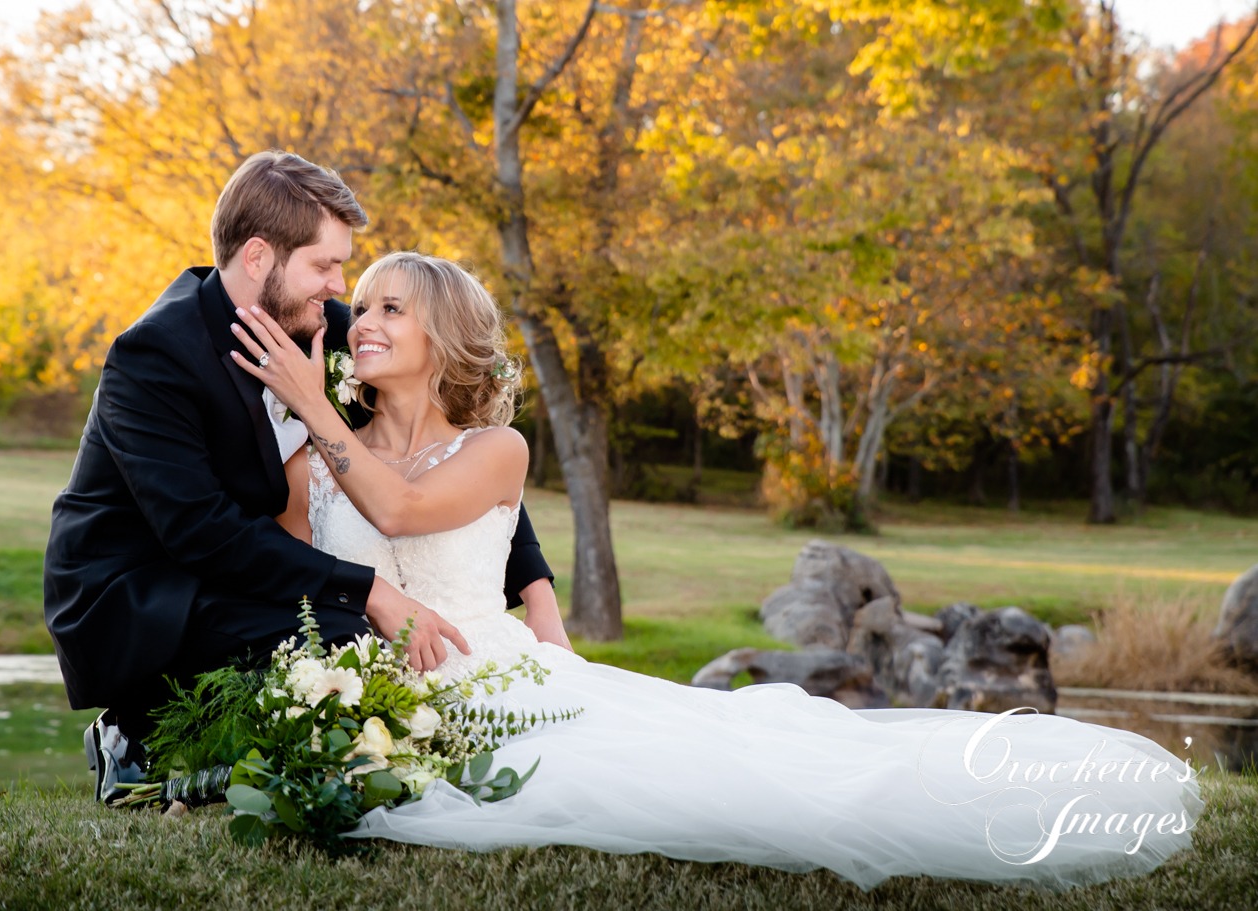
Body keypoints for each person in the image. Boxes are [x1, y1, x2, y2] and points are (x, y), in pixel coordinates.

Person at [234, 250, 1204, 890]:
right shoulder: (306, 465)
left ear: (442, 335)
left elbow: (399, 510)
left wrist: (308, 402)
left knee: (700, 776)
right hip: (368, 694)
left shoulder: (498, 449)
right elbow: (281, 571)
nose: (361, 319)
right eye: (358, 305)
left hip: (494, 675)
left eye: (389, 306)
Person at [43, 152, 561, 805]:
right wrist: (368, 589)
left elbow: (454, 457)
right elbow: (202, 532)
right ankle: (134, 729)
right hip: (146, 585)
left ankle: (266, 755)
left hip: (258, 562)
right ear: (259, 258)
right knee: (349, 640)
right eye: (325, 265)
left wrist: (536, 594)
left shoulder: (332, 327)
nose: (340, 285)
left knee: (354, 639)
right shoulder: (153, 357)